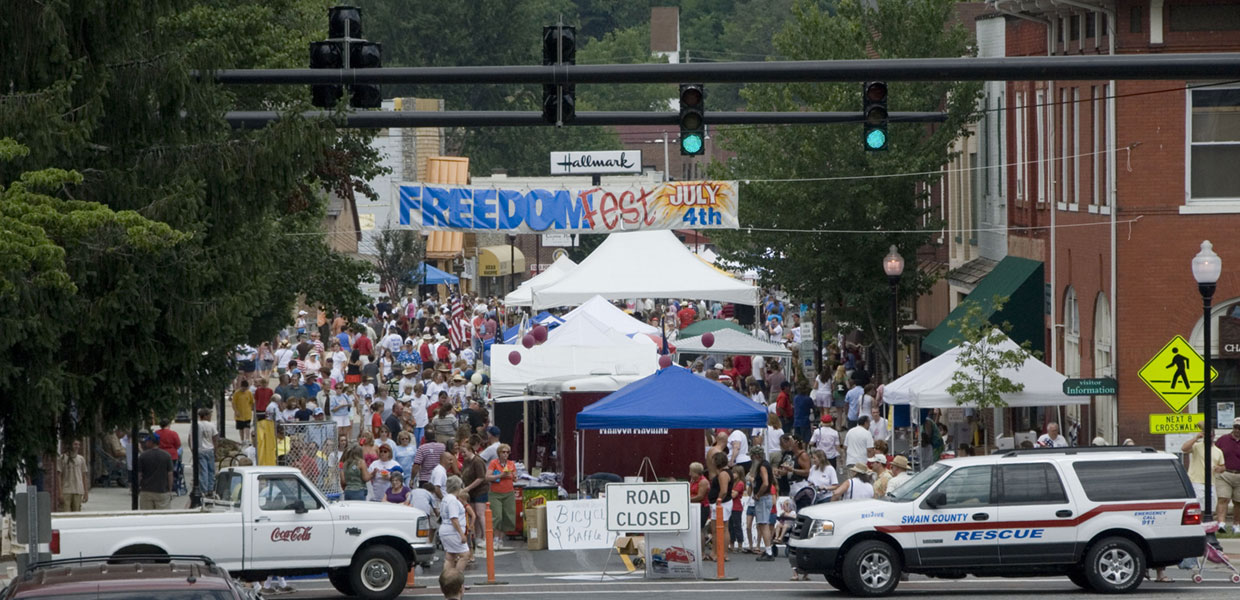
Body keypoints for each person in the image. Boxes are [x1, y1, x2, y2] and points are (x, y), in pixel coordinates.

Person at [459, 440, 490, 550]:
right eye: (461, 453)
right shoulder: (467, 461)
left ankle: (487, 538)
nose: (463, 455)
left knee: (481, 513)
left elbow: (481, 477)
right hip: (470, 491)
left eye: (464, 452)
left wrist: (468, 488)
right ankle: (476, 537)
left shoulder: (477, 461)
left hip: (480, 490)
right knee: (473, 514)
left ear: (470, 450)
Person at [486, 444, 517, 549]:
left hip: (509, 492)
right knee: (497, 516)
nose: (505, 454)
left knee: (507, 516)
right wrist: (500, 475)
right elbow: (487, 477)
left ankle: (500, 539)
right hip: (495, 493)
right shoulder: (493, 463)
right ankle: (495, 538)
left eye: (507, 452)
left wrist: (513, 476)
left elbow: (515, 477)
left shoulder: (511, 464)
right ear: (499, 453)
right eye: (503, 452)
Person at [703, 452, 733, 561]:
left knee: (720, 529)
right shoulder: (725, 472)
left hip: (722, 504)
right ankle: (719, 553)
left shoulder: (723, 474)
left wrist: (717, 501)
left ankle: (720, 553)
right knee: (720, 529)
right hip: (723, 503)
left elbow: (724, 491)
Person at [439, 476, 472, 572]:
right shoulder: (453, 501)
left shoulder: (445, 499)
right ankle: (457, 580)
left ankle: (447, 581)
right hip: (453, 532)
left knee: (450, 556)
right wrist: (462, 534)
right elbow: (454, 518)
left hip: (445, 529)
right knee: (465, 555)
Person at [1215, 417, 1240, 534]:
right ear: (1233, 428)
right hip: (1225, 474)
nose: (1238, 430)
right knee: (1223, 498)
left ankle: (1237, 525)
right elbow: (1214, 453)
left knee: (1238, 502)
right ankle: (1221, 524)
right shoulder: (1223, 439)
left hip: (1239, 475)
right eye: (1236, 427)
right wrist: (1216, 466)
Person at [137, 432, 173, 509]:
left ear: (151, 442)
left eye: (147, 441)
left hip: (146, 491)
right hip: (162, 491)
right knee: (162, 517)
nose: (145, 443)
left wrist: (138, 486)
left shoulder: (143, 456)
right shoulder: (166, 456)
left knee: (147, 516)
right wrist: (170, 489)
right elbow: (170, 474)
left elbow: (139, 474)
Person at [57, 440, 89, 512]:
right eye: (75, 444)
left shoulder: (81, 459)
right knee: (66, 512)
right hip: (66, 490)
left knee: (76, 513)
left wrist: (86, 492)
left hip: (78, 490)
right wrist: (60, 493)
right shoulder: (62, 458)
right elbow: (58, 476)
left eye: (78, 444)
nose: (77, 446)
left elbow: (84, 476)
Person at [197, 408, 219, 495]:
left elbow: (190, 438)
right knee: (211, 470)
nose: (210, 417)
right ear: (205, 416)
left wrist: (193, 450)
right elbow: (215, 438)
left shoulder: (196, 425)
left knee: (203, 470)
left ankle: (204, 489)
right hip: (210, 449)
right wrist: (215, 450)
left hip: (200, 449)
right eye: (209, 415)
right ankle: (210, 489)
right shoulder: (211, 425)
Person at [231, 380, 254, 445]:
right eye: (243, 388)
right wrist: (236, 411)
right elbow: (233, 403)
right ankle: (242, 439)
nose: (244, 389)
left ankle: (247, 439)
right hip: (239, 414)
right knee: (241, 428)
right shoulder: (236, 393)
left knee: (247, 427)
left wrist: (252, 408)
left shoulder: (249, 393)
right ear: (241, 386)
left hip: (247, 413)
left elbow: (252, 401)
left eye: (246, 388)